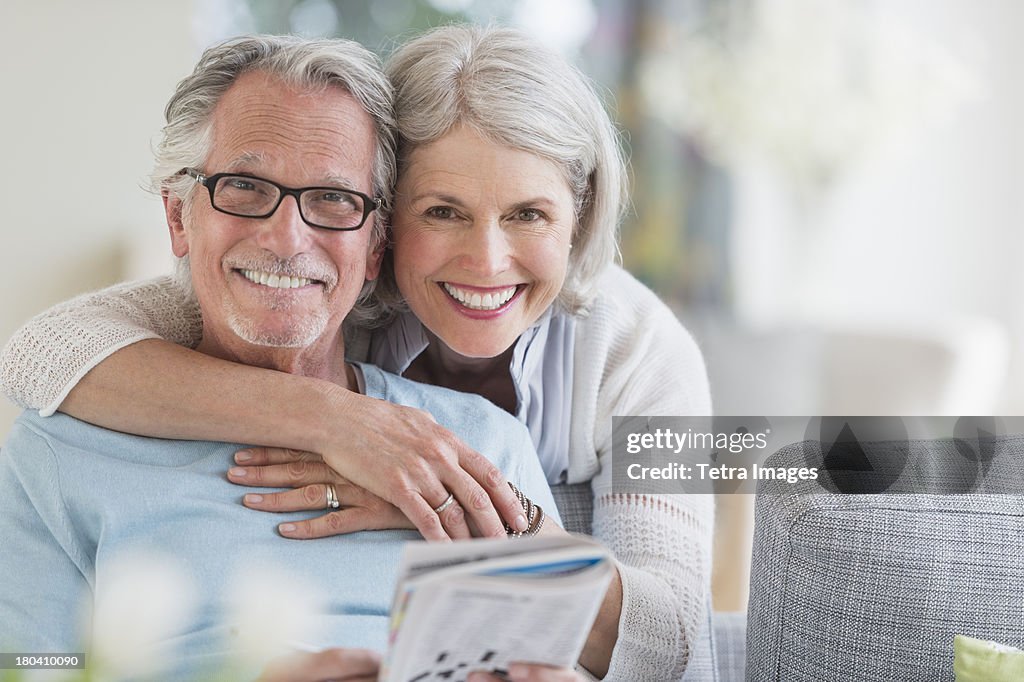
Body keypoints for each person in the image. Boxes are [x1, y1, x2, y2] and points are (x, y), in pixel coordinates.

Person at [0, 25, 712, 681]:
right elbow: (29, 660)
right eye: (245, 188)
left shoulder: (601, 378)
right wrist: (338, 422)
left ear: (373, 242)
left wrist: (503, 526)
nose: (286, 238)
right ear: (178, 216)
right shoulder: (65, 444)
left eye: (334, 199)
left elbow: (675, 643)